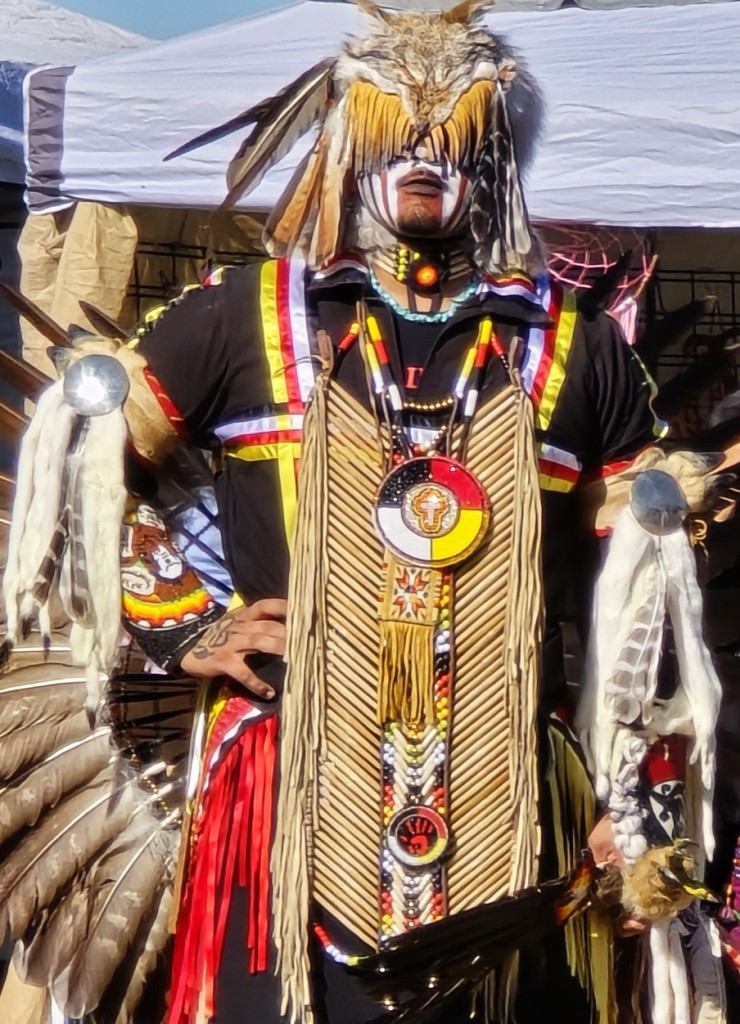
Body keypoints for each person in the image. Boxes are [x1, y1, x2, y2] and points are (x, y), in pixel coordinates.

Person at [0, 1, 728, 1022]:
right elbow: (72, 462)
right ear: (345, 149)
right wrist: (182, 622)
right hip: (287, 805)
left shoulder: (575, 348)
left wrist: (639, 798)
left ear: (495, 157)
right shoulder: (243, 317)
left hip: (514, 804)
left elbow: (650, 599)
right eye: (395, 132)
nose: (423, 160)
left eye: (452, 137)